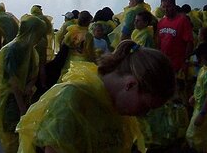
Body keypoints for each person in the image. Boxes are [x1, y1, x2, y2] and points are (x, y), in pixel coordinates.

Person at [16, 40, 175, 153]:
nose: (142, 115)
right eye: (145, 107)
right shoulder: (72, 101)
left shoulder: (113, 105)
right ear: (131, 85)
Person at [0, 15, 47, 153]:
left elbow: (33, 73)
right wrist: (22, 108)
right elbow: (12, 82)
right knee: (12, 135)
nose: (41, 38)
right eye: (39, 34)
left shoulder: (30, 49)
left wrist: (29, 86)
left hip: (21, 96)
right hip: (7, 99)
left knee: (20, 135)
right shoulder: (12, 50)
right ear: (32, 33)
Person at [157, 0, 194, 75]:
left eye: (168, 6)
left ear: (174, 6)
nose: (166, 9)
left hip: (178, 65)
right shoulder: (161, 23)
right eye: (163, 7)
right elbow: (159, 42)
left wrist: (186, 61)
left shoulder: (183, 20)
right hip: (164, 64)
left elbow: (189, 42)